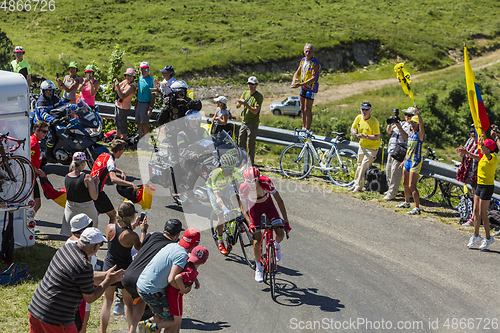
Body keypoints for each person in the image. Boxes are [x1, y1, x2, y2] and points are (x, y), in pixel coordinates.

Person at [28, 227, 125, 333]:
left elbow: (81, 275)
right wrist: (108, 281)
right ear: (95, 247)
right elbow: (90, 297)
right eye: (100, 245)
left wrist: (105, 274)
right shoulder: (83, 265)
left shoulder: (66, 248)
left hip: (36, 307)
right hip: (56, 318)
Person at [122, 219, 183, 333]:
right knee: (155, 304)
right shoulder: (171, 248)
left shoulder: (154, 235)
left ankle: (132, 329)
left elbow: (142, 244)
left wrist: (144, 230)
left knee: (141, 300)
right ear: (177, 234)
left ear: (164, 229)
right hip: (142, 279)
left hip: (128, 275)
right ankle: (149, 327)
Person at [136, 228, 200, 333]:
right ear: (195, 245)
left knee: (161, 314)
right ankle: (147, 326)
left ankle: (145, 325)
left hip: (142, 284)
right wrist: (183, 289)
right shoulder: (182, 255)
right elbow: (171, 279)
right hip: (151, 291)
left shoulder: (172, 246)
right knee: (173, 319)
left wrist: (195, 278)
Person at [100, 201, 148, 333]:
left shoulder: (110, 227)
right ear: (132, 217)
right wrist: (143, 231)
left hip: (109, 266)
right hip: (123, 270)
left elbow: (121, 234)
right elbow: (141, 248)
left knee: (107, 301)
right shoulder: (132, 236)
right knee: (127, 302)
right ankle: (129, 329)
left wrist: (133, 226)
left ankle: (102, 331)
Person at [239, 166, 291, 282]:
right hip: (254, 209)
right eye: (249, 182)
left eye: (254, 181)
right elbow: (243, 208)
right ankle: (258, 267)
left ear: (258, 178)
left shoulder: (266, 182)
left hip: (268, 206)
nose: (252, 184)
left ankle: (276, 245)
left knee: (280, 232)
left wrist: (286, 222)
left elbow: (279, 201)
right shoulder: (243, 188)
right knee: (257, 241)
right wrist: (250, 223)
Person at [143, 245, 209, 333]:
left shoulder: (187, 262)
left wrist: (195, 280)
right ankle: (152, 327)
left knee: (162, 314)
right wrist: (183, 289)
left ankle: (146, 322)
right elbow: (178, 278)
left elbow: (188, 274)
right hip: (176, 295)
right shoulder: (192, 272)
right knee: (177, 321)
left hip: (169, 291)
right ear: (204, 262)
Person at [206, 153, 250, 255]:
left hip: (226, 187)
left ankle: (237, 223)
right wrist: (224, 208)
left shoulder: (236, 172)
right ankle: (220, 240)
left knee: (237, 203)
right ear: (221, 167)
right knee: (221, 216)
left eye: (232, 169)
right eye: (228, 170)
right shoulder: (215, 175)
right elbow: (217, 196)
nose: (230, 172)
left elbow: (242, 187)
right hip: (213, 190)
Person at [91, 139, 138, 225]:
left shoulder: (103, 155)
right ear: (120, 151)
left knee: (95, 214)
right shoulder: (111, 161)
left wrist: (120, 171)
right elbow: (113, 179)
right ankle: (112, 236)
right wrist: (131, 183)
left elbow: (107, 167)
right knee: (113, 216)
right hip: (98, 192)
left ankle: (90, 233)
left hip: (91, 188)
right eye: (123, 150)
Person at [464, 132, 498, 250]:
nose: (481, 148)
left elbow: (487, 154)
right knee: (476, 212)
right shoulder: (484, 157)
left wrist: (482, 142)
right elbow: (478, 157)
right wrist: (467, 153)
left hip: (487, 187)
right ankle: (475, 235)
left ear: (488, 149)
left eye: (483, 146)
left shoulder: (492, 158)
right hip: (479, 185)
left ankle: (488, 238)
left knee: (483, 214)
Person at [66, 214, 97, 333]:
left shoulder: (69, 242)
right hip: (82, 289)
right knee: (80, 326)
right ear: (83, 230)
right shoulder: (82, 247)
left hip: (79, 287)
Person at [34, 79, 74, 162]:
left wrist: (76, 106)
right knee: (52, 136)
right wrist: (52, 120)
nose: (50, 92)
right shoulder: (41, 101)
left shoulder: (55, 98)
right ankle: (48, 154)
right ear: (43, 91)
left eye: (51, 90)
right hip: (42, 123)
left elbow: (64, 104)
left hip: (53, 120)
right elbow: (43, 114)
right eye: (47, 91)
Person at [61, 152, 99, 236]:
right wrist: (96, 183)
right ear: (82, 163)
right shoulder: (87, 177)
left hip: (71, 208)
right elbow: (94, 196)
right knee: (90, 233)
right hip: (86, 209)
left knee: (71, 234)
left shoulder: (67, 176)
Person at [396, 108, 425, 215]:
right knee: (404, 183)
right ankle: (406, 202)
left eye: (415, 122)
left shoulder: (419, 134)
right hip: (407, 160)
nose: (412, 124)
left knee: (412, 185)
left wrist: (418, 114)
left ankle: (417, 207)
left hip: (415, 161)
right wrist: (403, 161)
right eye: (411, 122)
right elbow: (408, 146)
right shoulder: (411, 133)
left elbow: (422, 126)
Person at [349, 102, 381, 192]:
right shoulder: (359, 117)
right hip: (362, 146)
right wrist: (354, 132)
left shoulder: (374, 122)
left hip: (372, 148)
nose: (364, 111)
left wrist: (365, 136)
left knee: (363, 166)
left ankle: (358, 187)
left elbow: (377, 136)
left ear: (370, 110)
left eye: (367, 110)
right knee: (359, 165)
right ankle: (355, 184)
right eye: (363, 109)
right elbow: (352, 127)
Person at [384, 108, 413, 200]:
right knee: (388, 170)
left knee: (395, 172)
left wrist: (399, 127)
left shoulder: (412, 126)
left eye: (409, 115)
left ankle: (392, 193)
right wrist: (390, 123)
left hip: (400, 151)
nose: (407, 117)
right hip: (392, 149)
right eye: (406, 114)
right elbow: (389, 131)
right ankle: (390, 189)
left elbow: (406, 138)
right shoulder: (402, 122)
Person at [291, 43, 320, 131]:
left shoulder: (315, 63)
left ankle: (308, 128)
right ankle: (303, 127)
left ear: (313, 52)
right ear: (304, 52)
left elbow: (313, 78)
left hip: (311, 88)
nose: (308, 53)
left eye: (310, 52)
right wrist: (294, 80)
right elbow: (297, 72)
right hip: (303, 87)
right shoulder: (303, 60)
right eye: (306, 51)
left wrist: (300, 84)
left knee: (308, 109)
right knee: (302, 108)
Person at [456, 124, 479, 226]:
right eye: (471, 131)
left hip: (476, 173)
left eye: (475, 131)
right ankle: (472, 216)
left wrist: (467, 153)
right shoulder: (469, 140)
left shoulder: (480, 143)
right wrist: (461, 152)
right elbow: (464, 153)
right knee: (472, 196)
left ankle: (474, 219)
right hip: (468, 172)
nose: (472, 133)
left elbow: (479, 157)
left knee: (475, 197)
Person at [237, 76, 263, 165]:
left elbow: (255, 111)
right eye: (249, 83)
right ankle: (242, 161)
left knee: (250, 144)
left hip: (253, 124)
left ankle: (250, 163)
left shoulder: (258, 97)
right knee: (240, 142)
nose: (250, 85)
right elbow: (237, 106)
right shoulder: (245, 93)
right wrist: (240, 103)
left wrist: (246, 104)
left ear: (256, 85)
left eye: (252, 84)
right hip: (244, 122)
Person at [30, 120, 49, 215]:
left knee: (37, 203)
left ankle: (29, 220)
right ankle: (28, 222)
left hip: (33, 176)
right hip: (29, 177)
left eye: (47, 131)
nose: (46, 134)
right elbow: (27, 163)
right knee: (35, 204)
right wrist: (39, 171)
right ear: (37, 130)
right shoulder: (33, 144)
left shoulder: (36, 142)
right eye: (44, 131)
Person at [113, 68, 137, 139]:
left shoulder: (132, 86)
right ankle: (117, 137)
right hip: (118, 105)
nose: (128, 77)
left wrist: (117, 86)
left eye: (130, 76)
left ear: (133, 77)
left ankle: (124, 139)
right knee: (117, 121)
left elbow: (122, 96)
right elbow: (115, 88)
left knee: (122, 123)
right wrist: (115, 83)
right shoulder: (125, 82)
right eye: (127, 75)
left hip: (124, 107)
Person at [136, 62, 156, 140]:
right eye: (142, 69)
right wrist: (136, 104)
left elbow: (153, 95)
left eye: (146, 69)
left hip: (146, 104)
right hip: (139, 103)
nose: (144, 71)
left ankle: (147, 141)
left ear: (148, 70)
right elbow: (139, 91)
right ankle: (140, 139)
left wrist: (150, 108)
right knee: (139, 122)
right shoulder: (140, 78)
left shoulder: (151, 80)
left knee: (145, 123)